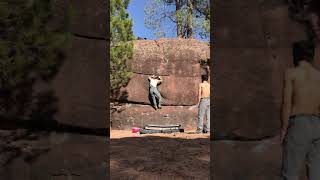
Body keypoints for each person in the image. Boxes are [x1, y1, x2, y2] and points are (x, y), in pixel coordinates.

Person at [281, 40, 320, 180]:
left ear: (296, 55)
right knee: (316, 174)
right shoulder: (318, 75)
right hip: (317, 124)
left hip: (299, 124)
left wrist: (284, 130)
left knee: (290, 173)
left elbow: (287, 103)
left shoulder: (291, 73)